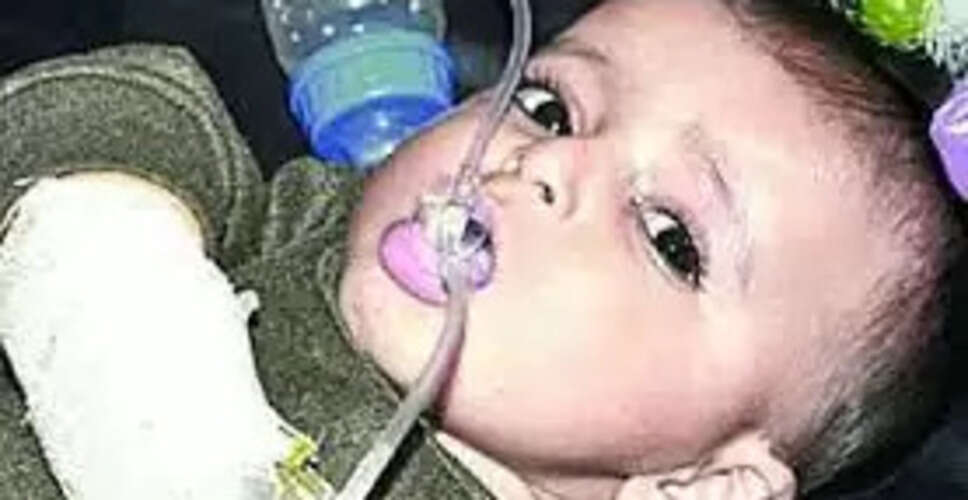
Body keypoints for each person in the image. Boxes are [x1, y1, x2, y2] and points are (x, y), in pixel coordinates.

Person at [0, 0, 962, 498]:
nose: (547, 164)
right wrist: (107, 259)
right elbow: (128, 105)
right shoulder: (316, 235)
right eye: (549, 106)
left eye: (671, 238)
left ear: (702, 486)